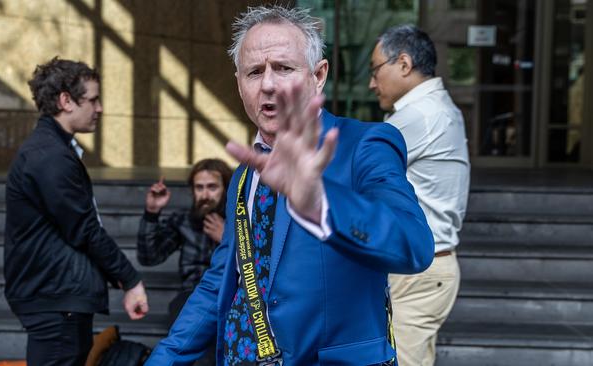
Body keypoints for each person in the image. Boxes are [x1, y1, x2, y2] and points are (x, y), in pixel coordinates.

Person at [145, 6, 434, 365]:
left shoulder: (365, 144)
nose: (268, 83)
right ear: (239, 83)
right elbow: (221, 279)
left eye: (283, 68)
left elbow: (414, 244)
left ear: (318, 75)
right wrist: (163, 359)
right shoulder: (243, 176)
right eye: (254, 71)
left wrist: (321, 203)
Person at [4, 57, 148, 366]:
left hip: (58, 296)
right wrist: (130, 279)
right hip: (55, 297)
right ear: (66, 101)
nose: (99, 108)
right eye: (93, 99)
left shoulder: (53, 150)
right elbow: (84, 229)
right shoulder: (50, 157)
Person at [368, 25, 470, 366]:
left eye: (375, 70)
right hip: (427, 267)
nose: (372, 83)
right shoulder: (437, 108)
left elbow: (354, 167)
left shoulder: (421, 115)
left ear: (404, 64)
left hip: (417, 271)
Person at [137, 158, 232, 365]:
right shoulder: (183, 221)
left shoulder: (238, 222)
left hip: (231, 297)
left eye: (212, 187)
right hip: (190, 296)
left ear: (226, 188)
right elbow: (149, 257)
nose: (205, 195)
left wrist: (227, 239)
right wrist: (152, 214)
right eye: (199, 188)